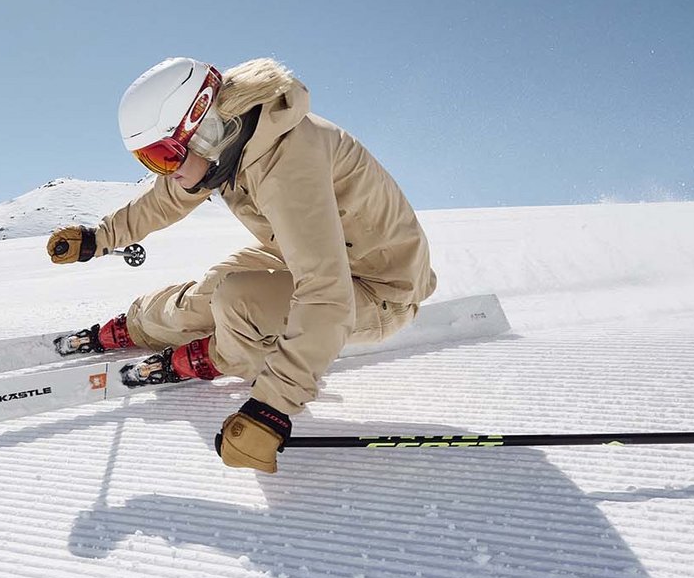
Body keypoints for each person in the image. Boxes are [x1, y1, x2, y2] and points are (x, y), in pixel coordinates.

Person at [48, 58, 436, 474]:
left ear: (205, 128)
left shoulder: (288, 163)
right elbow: (166, 199)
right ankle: (143, 325)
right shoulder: (232, 144)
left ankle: (220, 356)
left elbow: (326, 293)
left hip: (379, 289)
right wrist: (100, 237)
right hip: (308, 252)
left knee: (238, 302)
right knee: (212, 293)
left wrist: (272, 408)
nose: (166, 172)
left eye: (163, 156)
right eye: (151, 161)